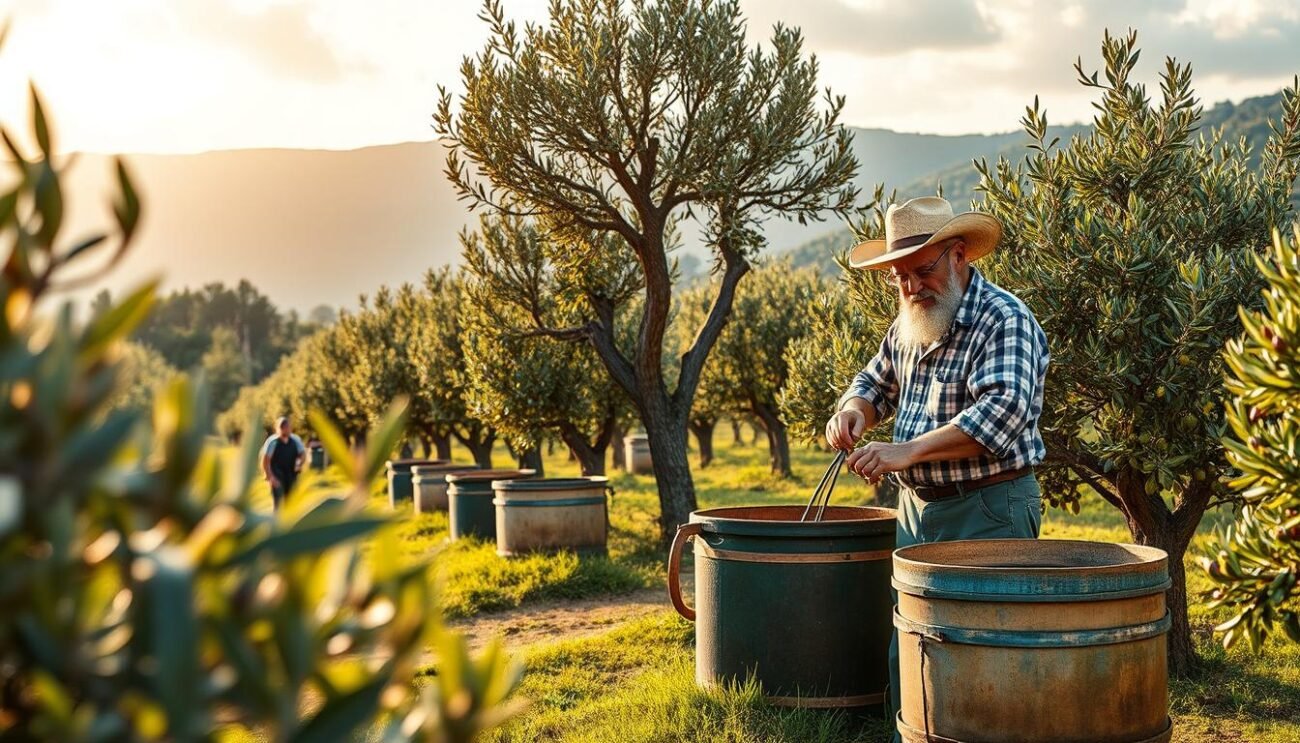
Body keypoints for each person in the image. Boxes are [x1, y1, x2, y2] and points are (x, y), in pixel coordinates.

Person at [823, 196, 1049, 736]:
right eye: (900, 277)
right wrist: (851, 412)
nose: (911, 287)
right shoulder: (910, 321)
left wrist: (907, 451)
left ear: (959, 254)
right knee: (915, 645)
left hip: (990, 512)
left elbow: (1005, 411)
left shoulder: (1004, 319)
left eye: (922, 270)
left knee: (987, 657)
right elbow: (874, 383)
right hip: (917, 514)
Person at [261, 416, 307, 511]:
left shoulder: (295, 440)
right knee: (278, 504)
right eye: (284, 428)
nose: (287, 430)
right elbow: (266, 460)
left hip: (291, 475)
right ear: (279, 429)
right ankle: (277, 524)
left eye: (288, 427)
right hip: (277, 475)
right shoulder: (273, 442)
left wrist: (299, 463)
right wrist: (270, 477)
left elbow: (303, 454)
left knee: (292, 502)